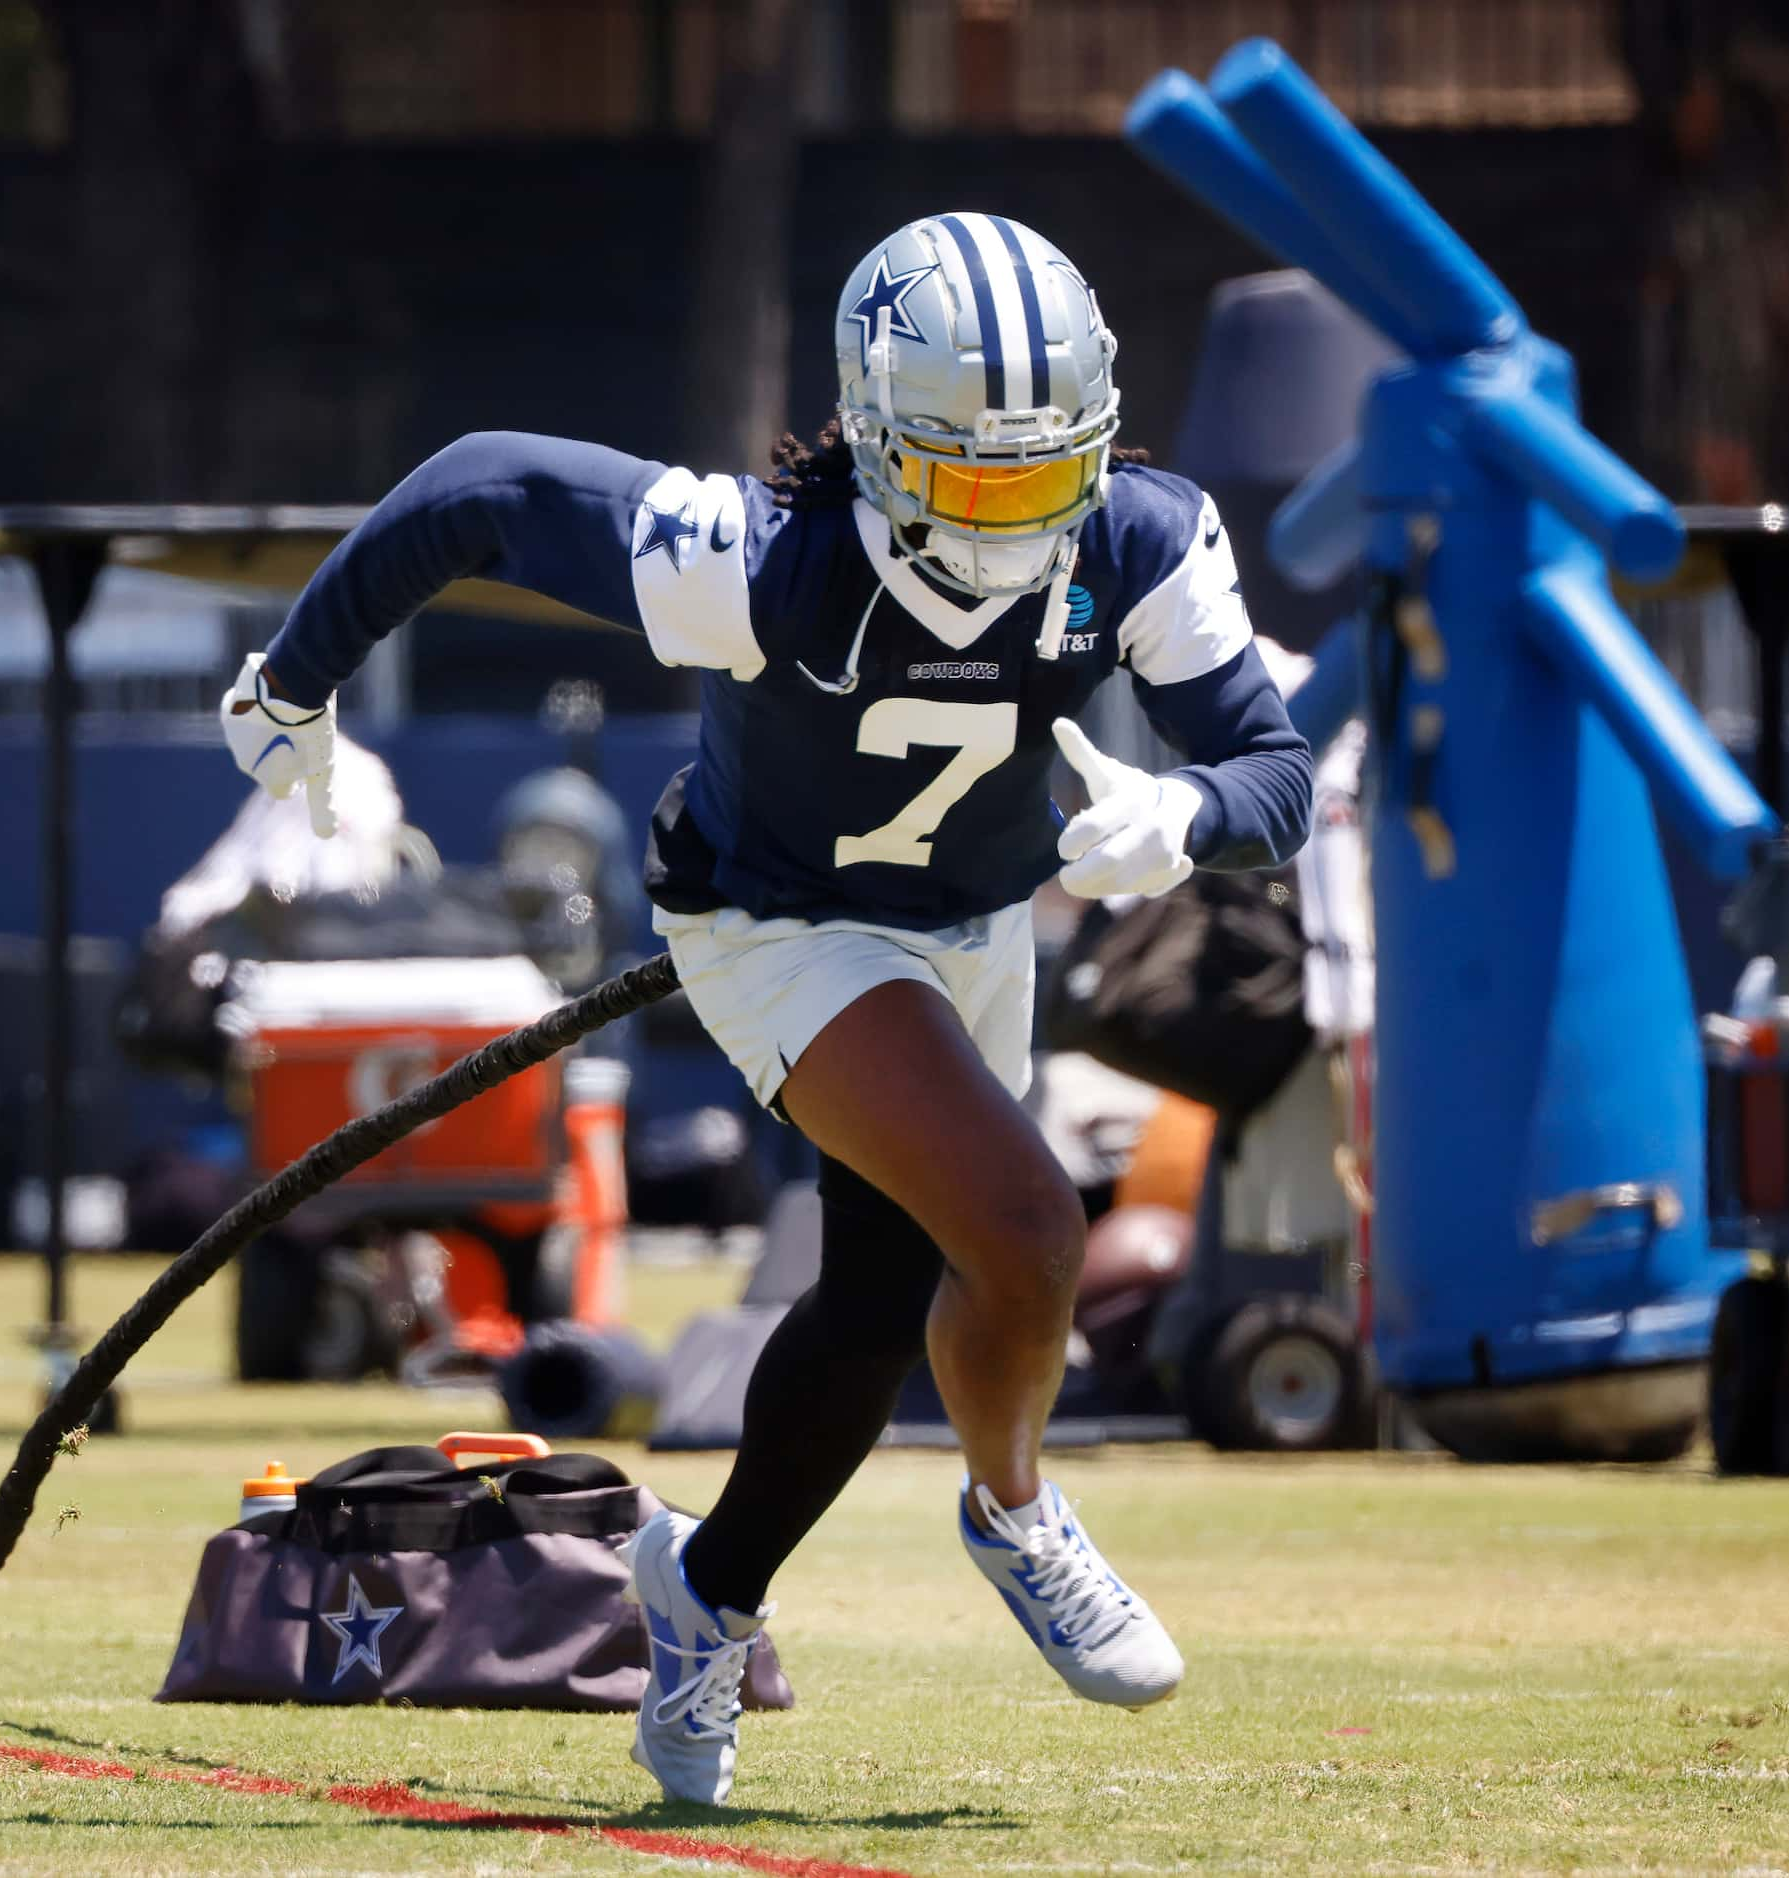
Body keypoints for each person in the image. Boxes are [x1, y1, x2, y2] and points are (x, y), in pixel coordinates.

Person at [218, 213, 1311, 1802]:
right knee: (1026, 1227)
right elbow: (476, 488)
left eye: (1036, 471)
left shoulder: (1139, 539)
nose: (1008, 518)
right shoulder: (754, 557)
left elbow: (1274, 769)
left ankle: (701, 1591)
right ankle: (1013, 1506)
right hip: (776, 920)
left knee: (873, 1303)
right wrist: (292, 677)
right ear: (875, 443)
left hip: (969, 931)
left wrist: (1189, 816)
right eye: (966, 474)